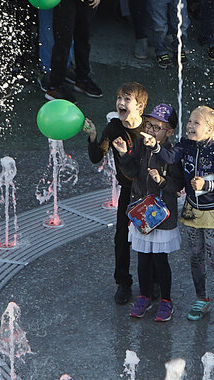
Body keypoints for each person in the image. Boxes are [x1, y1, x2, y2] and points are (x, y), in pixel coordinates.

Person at [145, 105, 214, 325]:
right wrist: (156, 146)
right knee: (196, 258)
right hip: (191, 211)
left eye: (196, 123)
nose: (189, 125)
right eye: (189, 121)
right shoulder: (186, 145)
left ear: (209, 129)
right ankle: (202, 299)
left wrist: (207, 185)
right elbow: (170, 156)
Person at [113, 104, 183, 322]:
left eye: (158, 127)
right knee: (143, 259)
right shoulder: (142, 147)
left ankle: (166, 300)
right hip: (141, 212)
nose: (151, 131)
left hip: (161, 216)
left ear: (169, 132)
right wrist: (124, 154)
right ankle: (144, 296)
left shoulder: (171, 153)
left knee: (160, 261)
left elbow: (177, 184)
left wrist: (161, 181)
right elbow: (132, 172)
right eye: (149, 125)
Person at [84, 81, 148, 305]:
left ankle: (153, 282)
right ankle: (123, 282)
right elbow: (96, 157)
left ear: (140, 106)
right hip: (128, 192)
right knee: (122, 238)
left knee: (151, 238)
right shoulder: (113, 128)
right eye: (119, 98)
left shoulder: (150, 127)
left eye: (127, 99)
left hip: (149, 192)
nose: (121, 102)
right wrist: (93, 136)